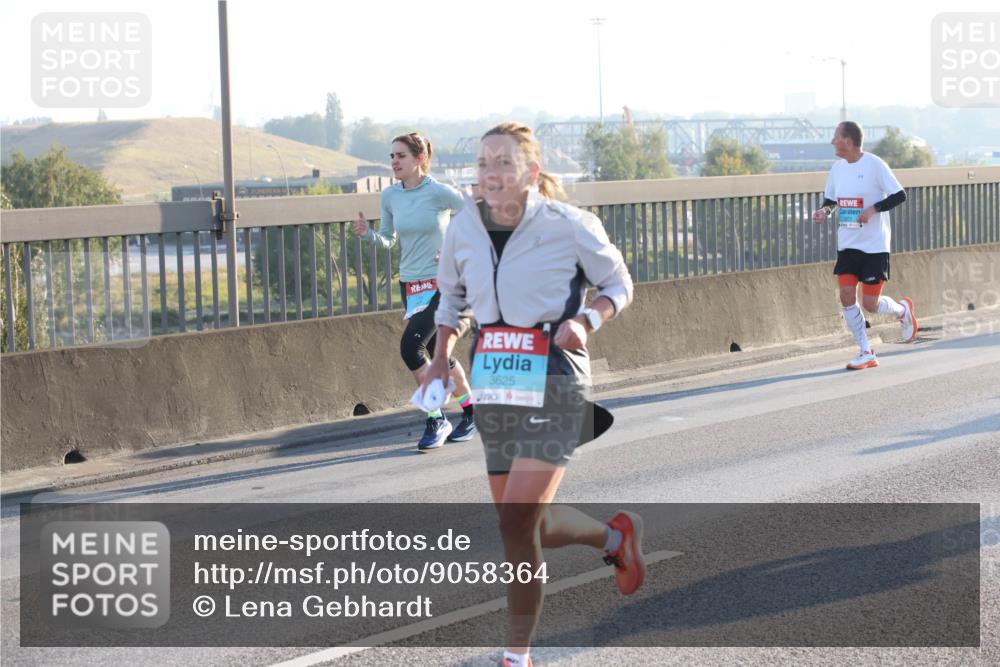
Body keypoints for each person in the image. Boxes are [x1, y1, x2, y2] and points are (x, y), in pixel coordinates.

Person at [421, 122, 644, 667]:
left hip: (556, 375)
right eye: (483, 163)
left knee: (517, 521)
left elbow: (619, 283)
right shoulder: (463, 228)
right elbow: (450, 301)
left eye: (503, 163)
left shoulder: (569, 225)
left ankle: (515, 656)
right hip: (496, 378)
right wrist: (440, 357)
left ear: (531, 172)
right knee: (525, 523)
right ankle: (614, 539)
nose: (490, 173)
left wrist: (587, 320)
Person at [352, 132, 476, 450]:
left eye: (401, 156)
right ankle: (471, 413)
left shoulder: (439, 192)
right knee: (438, 353)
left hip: (443, 283)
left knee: (412, 348)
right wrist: (368, 235)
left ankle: (436, 418)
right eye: (392, 156)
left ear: (420, 158)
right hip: (411, 284)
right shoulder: (390, 196)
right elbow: (388, 238)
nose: (394, 161)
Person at [812, 121, 917, 370]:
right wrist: (824, 212)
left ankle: (902, 310)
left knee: (871, 304)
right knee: (846, 296)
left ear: (848, 141)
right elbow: (831, 200)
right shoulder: (837, 169)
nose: (832, 141)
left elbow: (900, 194)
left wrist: (873, 209)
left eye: (835, 137)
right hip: (848, 243)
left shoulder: (875, 164)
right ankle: (865, 350)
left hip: (874, 245)